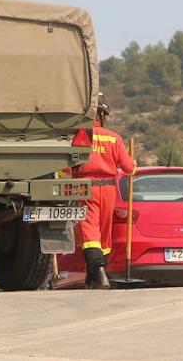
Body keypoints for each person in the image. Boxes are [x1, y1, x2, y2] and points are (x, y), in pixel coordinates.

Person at [71, 95, 136, 289]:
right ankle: (97, 275)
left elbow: (69, 165)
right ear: (102, 115)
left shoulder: (80, 135)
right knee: (104, 233)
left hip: (86, 187)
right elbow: (128, 168)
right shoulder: (114, 138)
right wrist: (134, 165)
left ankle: (98, 274)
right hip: (108, 188)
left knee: (89, 229)